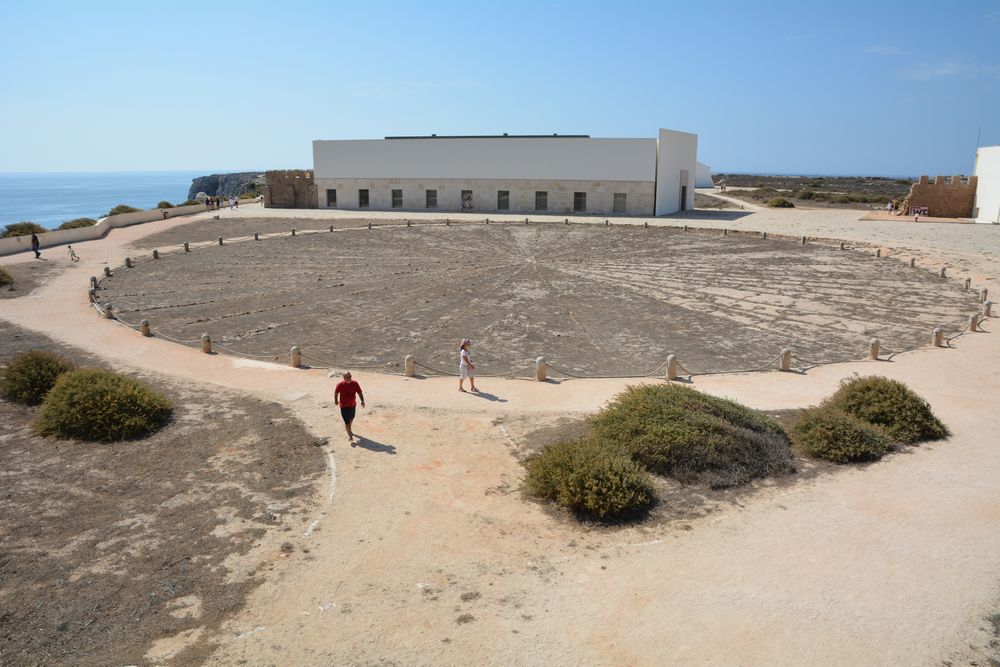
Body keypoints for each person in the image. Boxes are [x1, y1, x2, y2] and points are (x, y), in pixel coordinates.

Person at [334, 371, 365, 443]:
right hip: (344, 406)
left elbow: (359, 392)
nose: (349, 378)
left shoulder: (355, 383)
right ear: (344, 378)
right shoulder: (340, 385)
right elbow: (336, 393)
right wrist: (336, 400)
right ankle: (350, 436)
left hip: (352, 405)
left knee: (352, 418)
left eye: (350, 376)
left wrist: (362, 401)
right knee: (347, 422)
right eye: (347, 377)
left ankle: (349, 429)